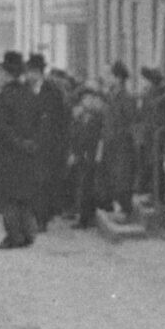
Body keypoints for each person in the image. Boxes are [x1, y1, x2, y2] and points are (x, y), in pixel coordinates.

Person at [0, 51, 38, 249]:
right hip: (28, 152)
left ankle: (14, 236)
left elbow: (2, 128)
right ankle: (28, 234)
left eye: (0, 72)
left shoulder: (4, 96)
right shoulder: (29, 93)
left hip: (9, 153)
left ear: (6, 73)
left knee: (8, 197)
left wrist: (16, 143)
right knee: (24, 196)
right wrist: (30, 143)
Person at [26, 54, 69, 232]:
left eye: (30, 72)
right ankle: (37, 217)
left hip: (48, 145)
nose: (28, 76)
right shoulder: (25, 90)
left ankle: (42, 220)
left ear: (38, 72)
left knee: (43, 182)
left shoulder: (53, 91)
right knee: (33, 183)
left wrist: (59, 145)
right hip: (29, 144)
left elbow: (61, 120)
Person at [99, 61, 138, 224]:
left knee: (123, 177)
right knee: (114, 177)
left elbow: (130, 121)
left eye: (111, 76)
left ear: (118, 78)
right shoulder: (112, 95)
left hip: (122, 144)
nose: (108, 79)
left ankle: (125, 210)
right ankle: (119, 208)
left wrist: (119, 136)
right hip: (111, 143)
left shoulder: (126, 97)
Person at [71, 88, 104, 229]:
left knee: (87, 187)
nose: (88, 102)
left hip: (91, 155)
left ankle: (85, 219)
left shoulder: (97, 117)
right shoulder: (81, 117)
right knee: (82, 187)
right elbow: (76, 136)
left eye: (90, 99)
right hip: (82, 156)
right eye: (85, 99)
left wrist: (97, 155)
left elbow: (99, 138)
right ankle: (84, 217)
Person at [138, 68, 165, 209]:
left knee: (157, 164)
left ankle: (159, 197)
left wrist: (154, 129)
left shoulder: (157, 93)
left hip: (155, 134)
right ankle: (154, 194)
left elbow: (160, 116)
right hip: (150, 134)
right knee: (152, 164)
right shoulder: (151, 92)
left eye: (146, 79)